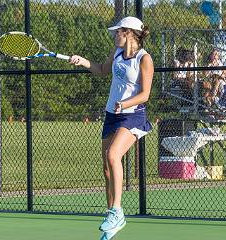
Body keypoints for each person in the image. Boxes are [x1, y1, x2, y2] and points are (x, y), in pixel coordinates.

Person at [69, 16, 153, 239]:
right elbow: (102, 70)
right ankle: (112, 218)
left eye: (118, 32)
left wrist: (124, 103)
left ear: (129, 33)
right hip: (111, 115)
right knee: (107, 167)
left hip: (132, 116)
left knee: (114, 155)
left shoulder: (144, 59)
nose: (114, 35)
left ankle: (117, 210)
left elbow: (145, 94)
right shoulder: (116, 53)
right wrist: (84, 61)